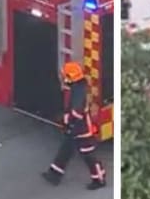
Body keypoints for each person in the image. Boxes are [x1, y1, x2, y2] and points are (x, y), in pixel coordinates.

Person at [42, 62, 106, 190]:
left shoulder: (79, 91)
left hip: (82, 129)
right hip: (76, 128)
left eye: (65, 76)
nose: (64, 79)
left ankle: (99, 179)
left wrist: (67, 121)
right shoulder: (78, 88)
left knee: (88, 155)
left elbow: (77, 112)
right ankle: (54, 174)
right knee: (65, 150)